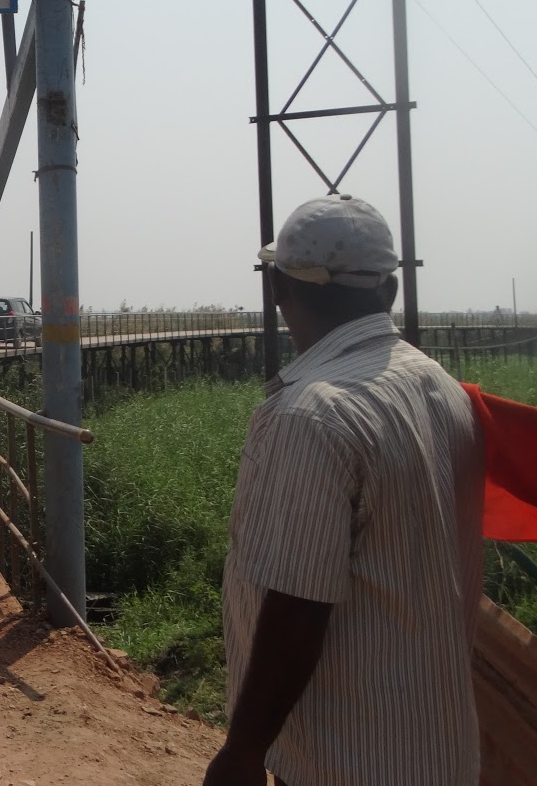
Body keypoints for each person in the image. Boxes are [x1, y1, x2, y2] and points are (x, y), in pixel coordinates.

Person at [204, 194, 484, 786]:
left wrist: (243, 753)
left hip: (348, 759)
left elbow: (298, 606)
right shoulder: (441, 389)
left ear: (279, 289)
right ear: (389, 292)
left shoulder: (312, 414)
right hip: (437, 748)